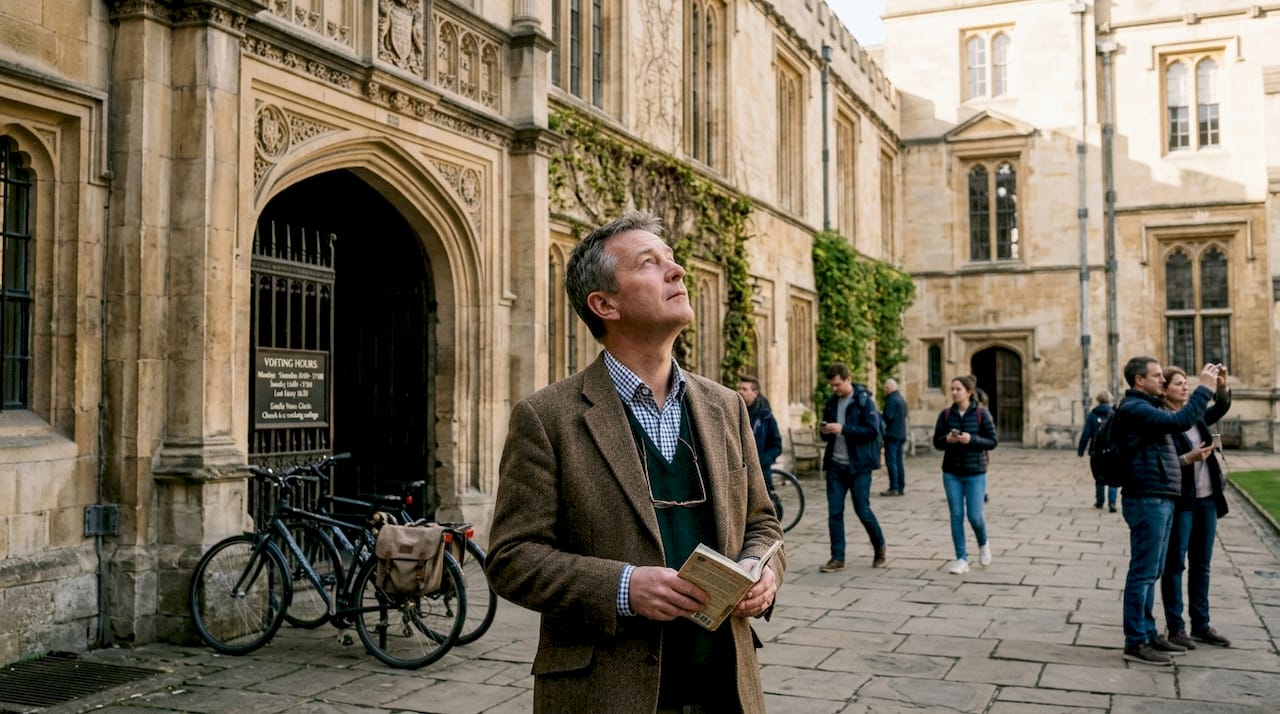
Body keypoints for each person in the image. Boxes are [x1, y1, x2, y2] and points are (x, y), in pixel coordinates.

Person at [486, 210, 785, 713]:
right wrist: (625, 588)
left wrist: (763, 571)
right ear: (604, 304)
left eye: (672, 260)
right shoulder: (547, 417)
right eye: (649, 263)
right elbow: (512, 559)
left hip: (725, 688)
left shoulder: (726, 405)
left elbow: (763, 522)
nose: (678, 271)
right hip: (606, 692)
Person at [1112, 356, 1219, 666]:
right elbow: (1178, 422)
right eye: (1157, 375)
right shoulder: (1135, 408)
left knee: (1153, 571)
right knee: (1143, 572)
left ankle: (1148, 632)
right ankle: (1135, 641)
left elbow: (1187, 419)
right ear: (1138, 381)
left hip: (1160, 495)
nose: (1162, 379)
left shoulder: (1149, 407)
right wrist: (1205, 389)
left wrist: (1216, 393)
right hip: (1147, 497)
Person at [1158, 365, 1233, 651]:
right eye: (1178, 384)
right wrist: (1188, 458)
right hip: (1183, 501)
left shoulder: (1196, 414)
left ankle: (1201, 624)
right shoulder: (1164, 420)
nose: (1185, 388)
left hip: (1207, 500)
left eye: (1186, 383)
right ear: (1163, 389)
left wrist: (1221, 387)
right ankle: (1176, 627)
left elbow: (1221, 408)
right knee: (1175, 565)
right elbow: (1163, 462)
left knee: (1202, 565)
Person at [818, 363, 887, 572]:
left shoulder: (864, 401)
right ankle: (837, 557)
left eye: (837, 384)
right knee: (835, 512)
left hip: (859, 465)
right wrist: (825, 430)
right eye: (832, 385)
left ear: (848, 380)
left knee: (862, 510)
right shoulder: (831, 402)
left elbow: (872, 431)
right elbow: (823, 434)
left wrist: (844, 429)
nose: (834, 389)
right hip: (836, 465)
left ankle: (879, 547)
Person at [932, 375, 997, 574]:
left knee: (975, 516)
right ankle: (961, 558)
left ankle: (983, 543)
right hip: (951, 472)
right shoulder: (945, 415)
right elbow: (937, 442)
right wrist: (947, 440)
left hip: (975, 472)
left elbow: (992, 441)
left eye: (958, 389)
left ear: (969, 392)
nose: (954, 392)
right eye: (952, 389)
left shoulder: (981, 414)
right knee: (956, 515)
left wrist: (971, 439)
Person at [738, 375, 783, 492]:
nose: (740, 392)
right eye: (739, 388)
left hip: (761, 473)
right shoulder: (735, 412)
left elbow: (776, 445)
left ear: (755, 393)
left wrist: (762, 461)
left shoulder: (766, 416)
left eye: (745, 389)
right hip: (739, 473)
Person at [1078, 390, 1118, 512]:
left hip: (1097, 450)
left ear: (1098, 401)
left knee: (1099, 476)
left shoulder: (1093, 415)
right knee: (1113, 477)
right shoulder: (1114, 414)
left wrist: (1081, 449)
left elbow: (1086, 434)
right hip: (1112, 450)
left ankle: (1100, 501)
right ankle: (1112, 503)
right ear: (1110, 400)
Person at [880, 378, 908, 496]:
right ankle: (900, 487)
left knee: (891, 462)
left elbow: (888, 417)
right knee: (899, 462)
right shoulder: (901, 399)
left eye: (885, 389)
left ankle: (894, 487)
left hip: (892, 435)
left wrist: (881, 416)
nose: (885, 391)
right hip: (901, 434)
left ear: (889, 388)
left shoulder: (891, 400)